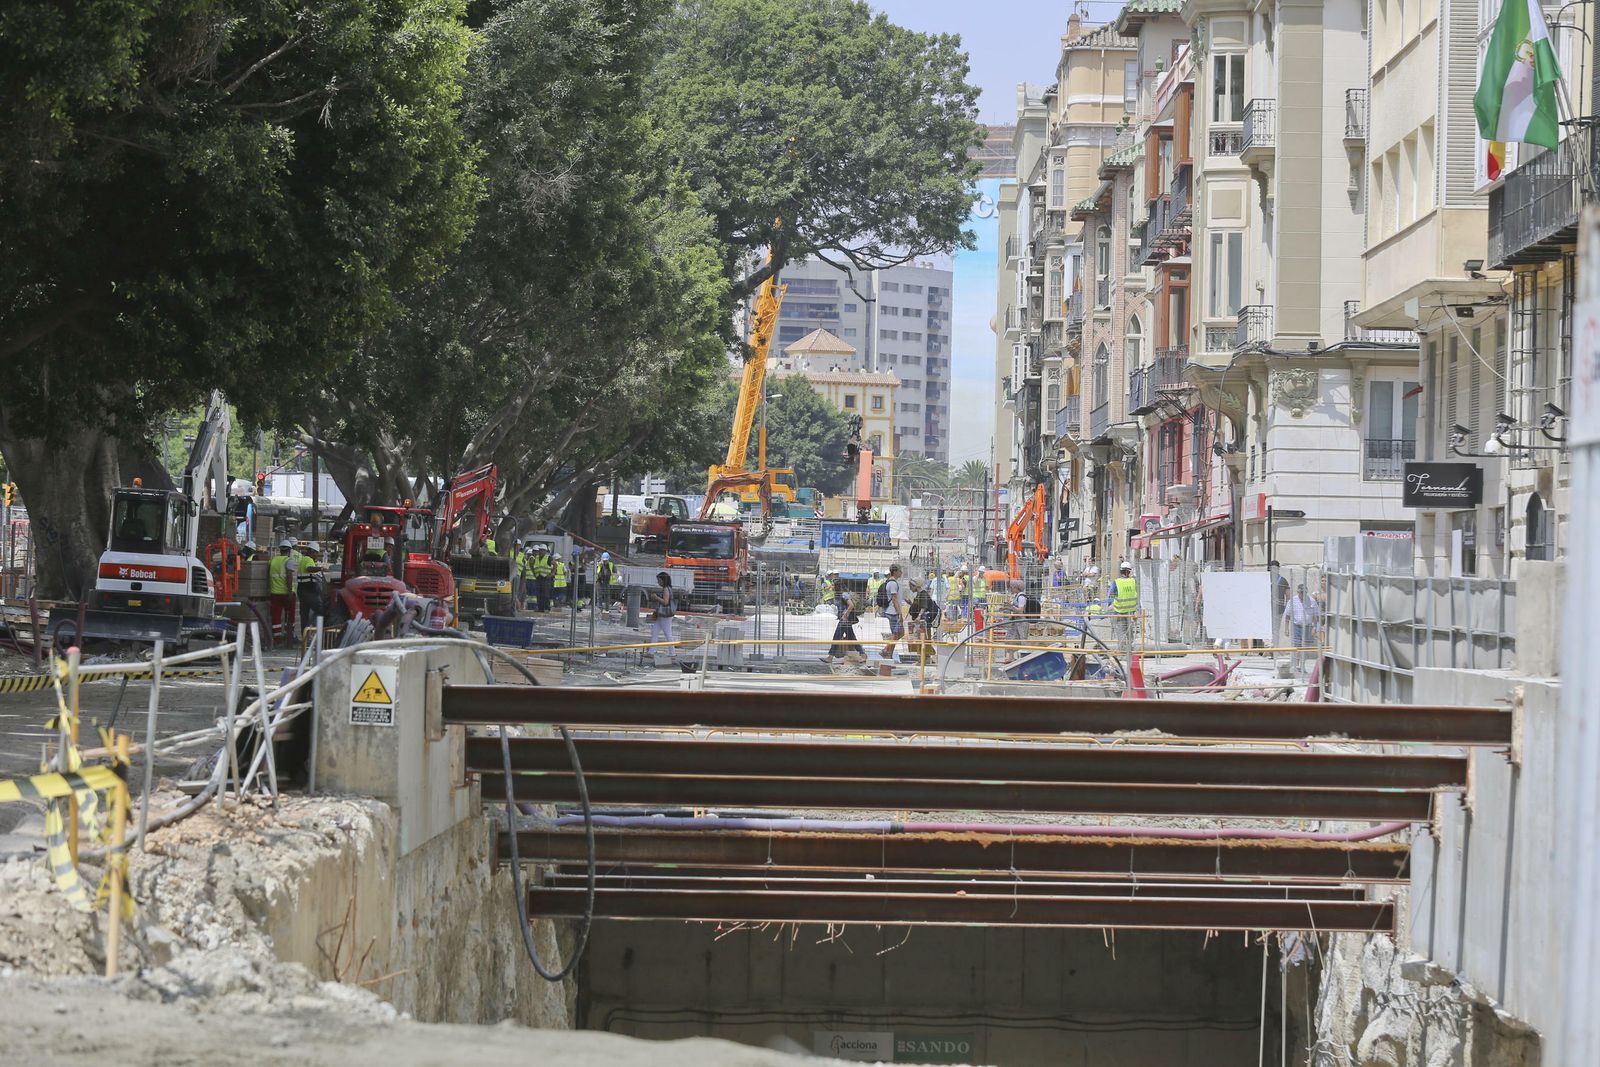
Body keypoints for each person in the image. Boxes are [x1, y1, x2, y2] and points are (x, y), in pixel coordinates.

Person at [1283, 583, 1321, 677]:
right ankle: (1297, 665)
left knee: (1305, 647)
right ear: (1297, 592)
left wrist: (1315, 628)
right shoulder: (1292, 601)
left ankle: (1302, 665)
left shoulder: (1312, 601)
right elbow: (1287, 615)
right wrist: (1286, 628)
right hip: (1297, 626)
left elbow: (1316, 616)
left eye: (1303, 592)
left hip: (1308, 626)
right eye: (1300, 592)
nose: (1302, 594)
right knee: (1297, 646)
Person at [268, 538, 300, 644]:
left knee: (276, 616)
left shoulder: (273, 560)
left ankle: (277, 638)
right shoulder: (289, 561)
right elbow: (289, 576)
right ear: (289, 550)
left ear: (280, 550)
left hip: (274, 593)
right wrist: (290, 591)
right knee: (290, 616)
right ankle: (289, 637)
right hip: (286, 593)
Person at [823, 591, 863, 664]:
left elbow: (851, 605)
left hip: (845, 619)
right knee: (851, 637)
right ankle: (863, 654)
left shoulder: (844, 595)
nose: (833, 587)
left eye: (835, 586)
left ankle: (830, 657)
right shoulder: (840, 595)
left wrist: (845, 615)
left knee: (837, 636)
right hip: (845, 619)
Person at [295, 542, 326, 632]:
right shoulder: (309, 559)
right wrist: (321, 568)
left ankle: (305, 635)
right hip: (309, 591)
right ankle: (320, 631)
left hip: (301, 591)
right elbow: (309, 568)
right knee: (321, 610)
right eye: (316, 553)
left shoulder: (303, 559)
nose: (317, 555)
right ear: (312, 551)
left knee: (304, 615)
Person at [1110, 561, 1140, 652]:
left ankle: (1122, 651)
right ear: (1128, 571)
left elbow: (1112, 594)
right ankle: (1130, 648)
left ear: (1121, 571)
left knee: (1121, 631)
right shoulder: (1133, 581)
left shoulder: (1117, 582)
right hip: (1131, 611)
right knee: (1129, 631)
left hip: (1120, 611)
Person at [647, 571, 675, 665]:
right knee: (654, 631)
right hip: (662, 614)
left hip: (665, 615)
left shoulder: (666, 589)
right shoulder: (668, 588)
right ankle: (651, 652)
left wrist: (656, 597)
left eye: (659, 580)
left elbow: (665, 602)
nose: (658, 582)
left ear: (663, 580)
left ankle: (672, 653)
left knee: (668, 633)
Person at [880, 563, 904, 662]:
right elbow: (894, 599)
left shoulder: (891, 582)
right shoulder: (893, 583)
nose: (901, 573)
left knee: (898, 633)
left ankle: (888, 652)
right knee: (896, 633)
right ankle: (886, 651)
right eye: (900, 571)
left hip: (892, 611)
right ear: (895, 572)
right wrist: (900, 613)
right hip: (893, 612)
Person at [528, 544, 553, 612]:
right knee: (539, 594)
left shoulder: (548, 558)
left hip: (545, 578)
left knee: (546, 594)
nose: (541, 551)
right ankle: (540, 608)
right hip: (538, 578)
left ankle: (547, 608)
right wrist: (534, 573)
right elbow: (532, 565)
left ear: (545, 551)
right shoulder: (536, 558)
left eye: (542, 550)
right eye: (540, 550)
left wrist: (551, 574)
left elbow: (555, 564)